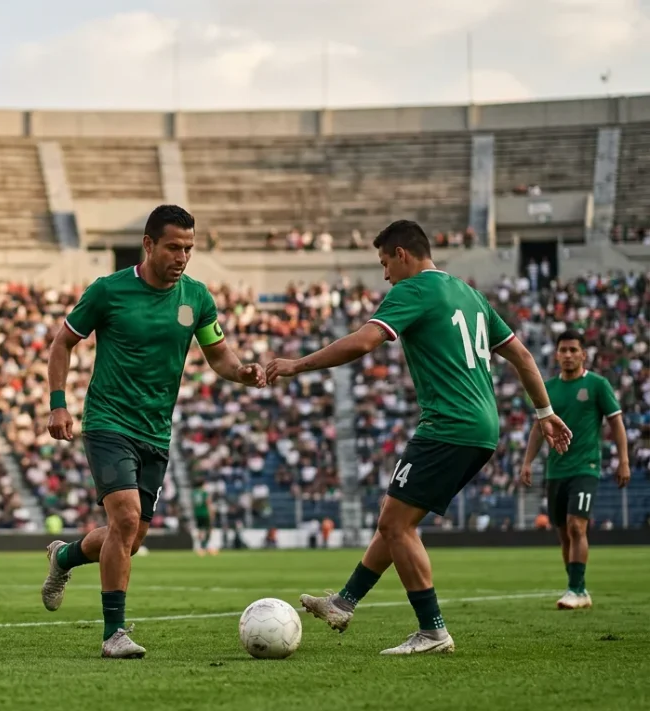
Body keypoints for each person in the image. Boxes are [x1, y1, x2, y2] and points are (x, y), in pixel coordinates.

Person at [265, 219, 572, 656]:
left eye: (385, 262)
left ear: (402, 254)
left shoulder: (413, 290)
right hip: (482, 428)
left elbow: (364, 342)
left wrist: (299, 364)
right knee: (396, 520)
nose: (385, 274)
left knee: (395, 524)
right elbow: (521, 355)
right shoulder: (469, 293)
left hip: (448, 424)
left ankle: (432, 630)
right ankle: (343, 602)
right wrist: (545, 412)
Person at [39, 204, 266, 659]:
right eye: (173, 247)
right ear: (148, 245)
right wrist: (58, 405)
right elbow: (63, 342)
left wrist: (241, 372)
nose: (182, 256)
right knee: (123, 521)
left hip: (156, 431)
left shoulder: (197, 297)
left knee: (130, 537)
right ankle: (114, 633)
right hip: (107, 422)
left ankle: (64, 558)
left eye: (189, 247)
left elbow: (218, 355)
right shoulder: (108, 291)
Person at [519, 329, 630, 610]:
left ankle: (576, 588)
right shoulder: (548, 388)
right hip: (555, 470)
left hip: (585, 467)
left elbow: (616, 423)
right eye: (563, 350)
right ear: (556, 355)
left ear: (583, 354)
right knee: (563, 534)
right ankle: (577, 588)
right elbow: (538, 426)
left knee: (576, 526)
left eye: (573, 350)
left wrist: (624, 460)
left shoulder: (597, 385)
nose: (568, 355)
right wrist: (527, 461)